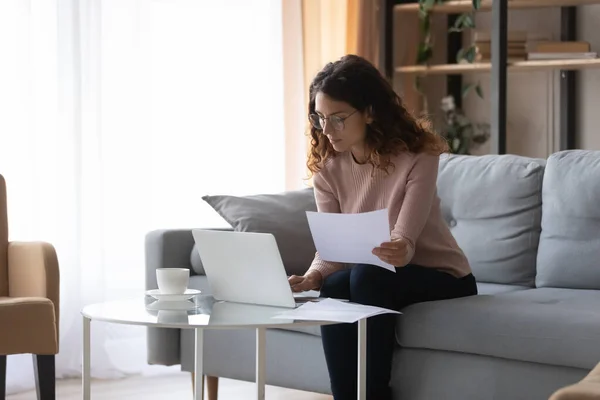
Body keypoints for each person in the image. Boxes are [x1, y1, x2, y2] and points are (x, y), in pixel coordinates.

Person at [287, 54, 478, 400]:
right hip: (379, 275)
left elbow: (404, 242)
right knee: (335, 283)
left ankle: (374, 394)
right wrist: (313, 276)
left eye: (339, 119)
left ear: (370, 112)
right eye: (320, 118)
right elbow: (333, 251)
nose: (327, 131)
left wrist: (399, 247)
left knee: (366, 276)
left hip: (443, 277)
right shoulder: (327, 170)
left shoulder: (419, 155)